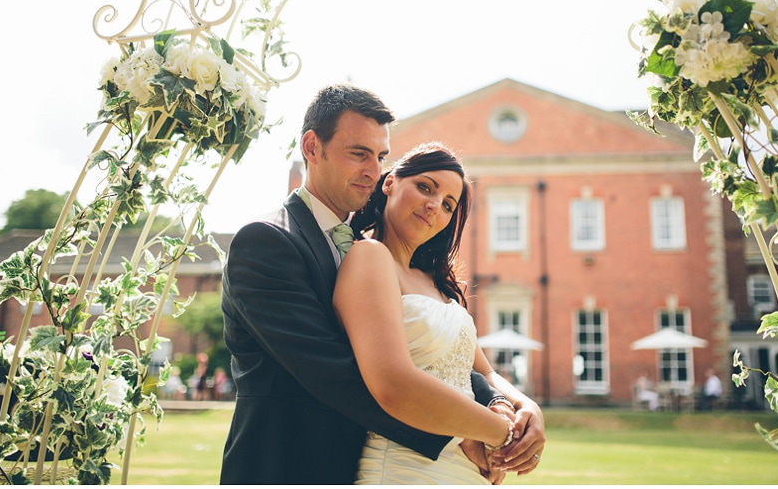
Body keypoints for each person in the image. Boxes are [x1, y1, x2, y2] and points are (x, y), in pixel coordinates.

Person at [220, 84, 545, 484]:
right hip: (287, 464)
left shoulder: (365, 250)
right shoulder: (267, 241)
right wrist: (471, 433)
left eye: (380, 157)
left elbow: (444, 361)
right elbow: (338, 372)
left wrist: (503, 399)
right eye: (359, 153)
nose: (374, 171)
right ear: (311, 147)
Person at [334, 142, 545, 483]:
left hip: (464, 472)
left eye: (448, 205)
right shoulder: (370, 257)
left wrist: (526, 408)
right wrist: (500, 433)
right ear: (389, 183)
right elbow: (393, 384)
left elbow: (487, 375)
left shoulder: (436, 283)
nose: (434, 206)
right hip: (405, 467)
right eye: (425, 187)